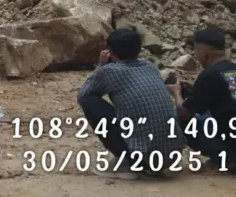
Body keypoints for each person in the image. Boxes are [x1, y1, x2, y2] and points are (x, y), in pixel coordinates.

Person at [77, 28, 183, 178]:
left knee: (89, 101)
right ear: (139, 50)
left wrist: (102, 65)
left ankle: (128, 164)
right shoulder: (150, 67)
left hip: (143, 158)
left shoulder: (110, 71)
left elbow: (83, 94)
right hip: (171, 157)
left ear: (111, 51)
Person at [169, 28, 236, 171]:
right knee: (207, 114)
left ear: (202, 51)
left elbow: (184, 113)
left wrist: (176, 93)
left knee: (175, 117)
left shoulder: (209, 75)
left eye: (195, 50)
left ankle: (227, 159)